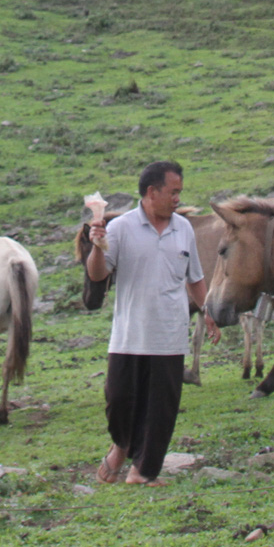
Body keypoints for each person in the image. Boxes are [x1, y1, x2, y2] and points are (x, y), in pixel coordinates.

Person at [85, 160, 218, 485]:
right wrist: (97, 246)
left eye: (179, 193)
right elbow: (97, 274)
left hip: (170, 337)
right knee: (119, 402)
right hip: (129, 336)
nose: (177, 199)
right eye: (172, 192)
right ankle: (121, 447)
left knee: (161, 410)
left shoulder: (184, 229)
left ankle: (142, 472)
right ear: (151, 192)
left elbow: (195, 278)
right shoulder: (120, 228)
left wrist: (208, 312)